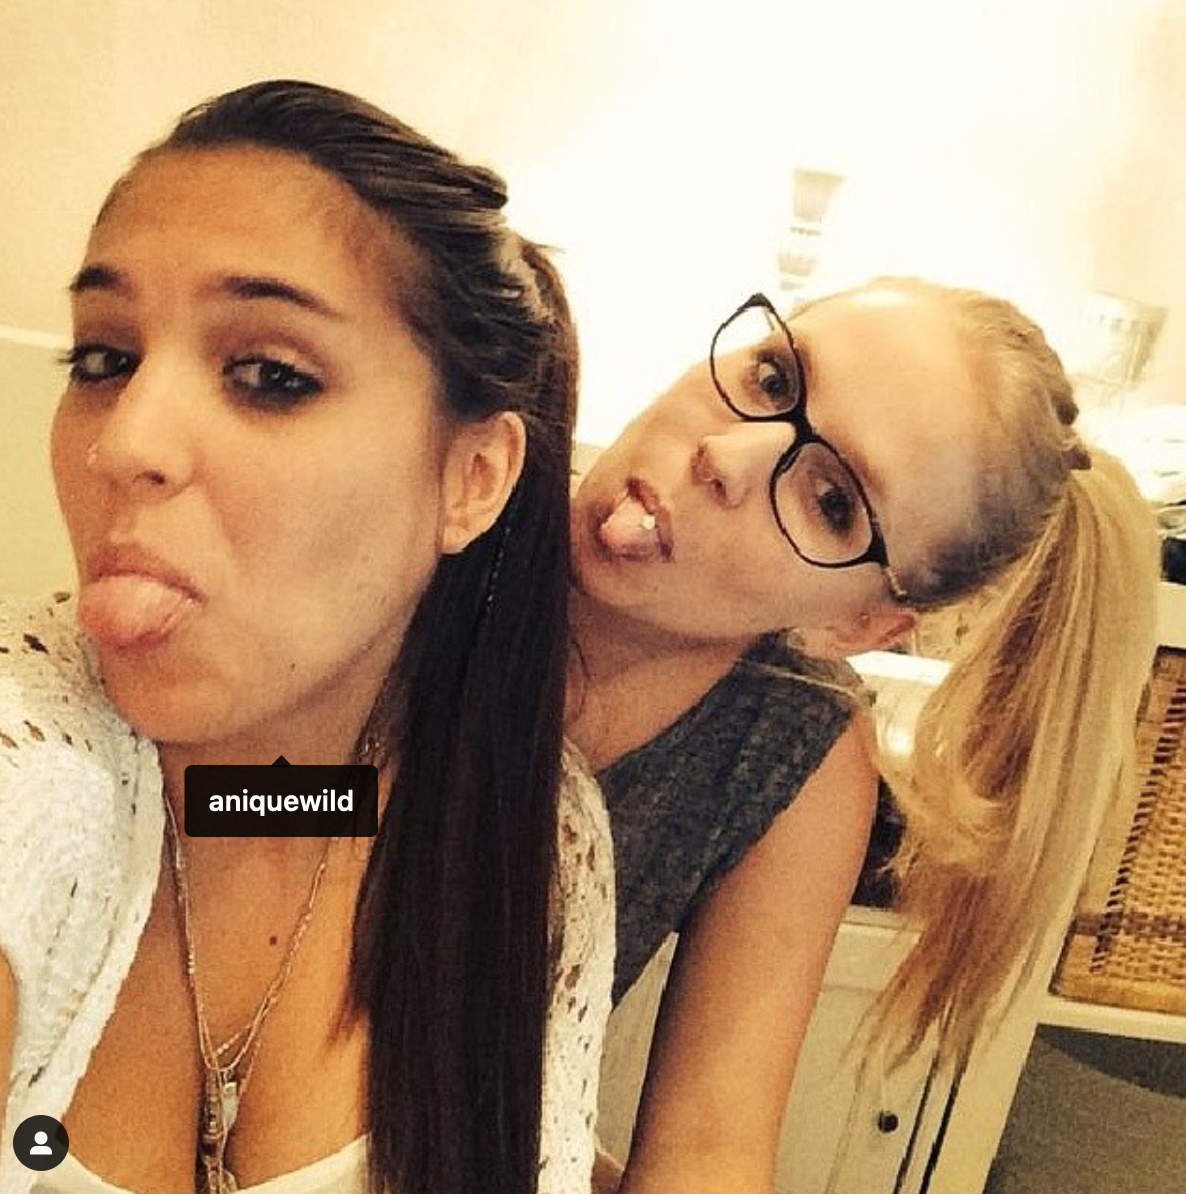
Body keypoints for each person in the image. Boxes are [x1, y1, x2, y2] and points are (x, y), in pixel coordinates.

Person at [0, 80, 613, 1194]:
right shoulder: (27, 760)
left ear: (472, 478)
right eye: (103, 358)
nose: (123, 443)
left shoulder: (521, 831)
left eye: (270, 376)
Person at [569, 280, 1160, 1192]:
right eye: (773, 378)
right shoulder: (441, 509)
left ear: (857, 625)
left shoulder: (787, 754)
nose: (727, 453)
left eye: (831, 502)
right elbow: (310, 805)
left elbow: (710, 1143)